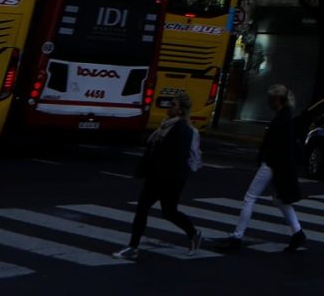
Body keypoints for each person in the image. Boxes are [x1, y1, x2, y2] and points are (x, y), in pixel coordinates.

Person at [117, 90, 204, 259]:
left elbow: (176, 155)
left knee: (163, 211)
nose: (168, 107)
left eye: (173, 105)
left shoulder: (181, 129)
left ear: (180, 110)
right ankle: (134, 246)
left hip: (167, 178)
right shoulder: (167, 125)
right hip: (160, 176)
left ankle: (134, 247)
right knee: (157, 210)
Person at [220, 84, 306, 251]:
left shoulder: (282, 119)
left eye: (270, 99)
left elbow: (276, 145)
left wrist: (267, 161)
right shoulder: (285, 117)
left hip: (272, 164)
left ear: (277, 100)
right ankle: (297, 232)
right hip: (277, 165)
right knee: (279, 200)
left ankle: (237, 236)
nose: (268, 103)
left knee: (250, 197)